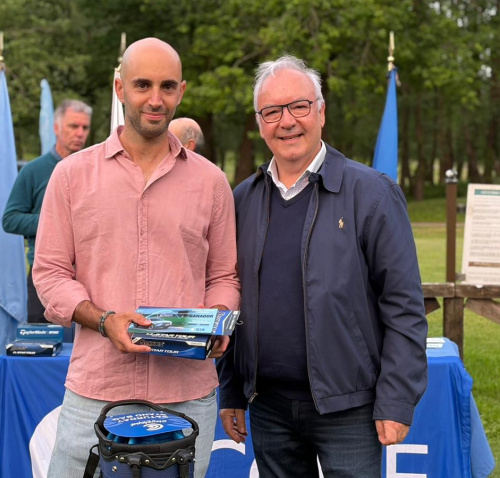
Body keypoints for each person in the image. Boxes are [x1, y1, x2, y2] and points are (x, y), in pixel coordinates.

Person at [33, 38, 240, 478]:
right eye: (142, 85)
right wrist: (104, 319)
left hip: (186, 389)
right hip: (96, 388)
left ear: (181, 91)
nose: (155, 99)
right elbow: (50, 273)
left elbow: (224, 274)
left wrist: (220, 317)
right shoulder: (70, 177)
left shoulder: (211, 183)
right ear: (119, 88)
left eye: (167, 87)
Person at [216, 55, 428, 478]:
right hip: (269, 408)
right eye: (272, 112)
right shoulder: (242, 200)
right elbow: (231, 296)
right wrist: (231, 390)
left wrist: (397, 398)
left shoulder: (372, 194)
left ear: (321, 111)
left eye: (299, 106)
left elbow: (403, 306)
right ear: (260, 123)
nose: (287, 121)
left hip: (349, 408)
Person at [3, 99, 92, 323]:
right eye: (74, 126)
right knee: (42, 348)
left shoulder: (95, 169)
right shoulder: (34, 170)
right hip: (45, 275)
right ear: (56, 128)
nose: (80, 133)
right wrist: (54, 221)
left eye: (85, 127)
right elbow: (10, 220)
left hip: (90, 276)